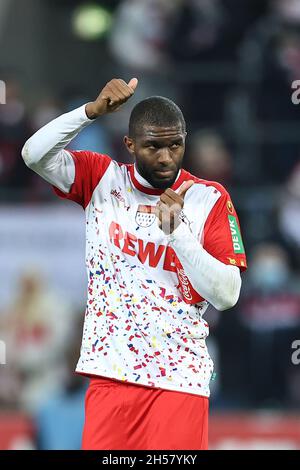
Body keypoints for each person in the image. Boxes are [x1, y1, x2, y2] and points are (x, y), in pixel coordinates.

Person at [22, 78, 247, 450]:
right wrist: (89, 112)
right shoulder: (102, 179)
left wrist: (179, 235)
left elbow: (228, 295)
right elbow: (34, 154)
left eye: (175, 145)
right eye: (153, 146)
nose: (165, 157)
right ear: (130, 145)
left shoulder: (209, 198)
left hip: (178, 378)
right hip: (109, 372)